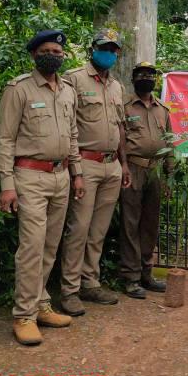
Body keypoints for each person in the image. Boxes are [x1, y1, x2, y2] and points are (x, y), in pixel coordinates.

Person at [0, 29, 86, 346]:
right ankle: (24, 315)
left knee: (49, 247)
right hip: (29, 177)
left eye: (58, 52)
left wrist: (77, 173)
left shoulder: (68, 91)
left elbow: (73, 135)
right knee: (32, 247)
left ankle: (41, 304)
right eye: (46, 51)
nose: (53, 56)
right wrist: (7, 184)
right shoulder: (19, 89)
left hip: (61, 177)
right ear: (34, 54)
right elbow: (5, 139)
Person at [59, 29, 131, 316]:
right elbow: (66, 123)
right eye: (104, 48)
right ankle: (69, 290)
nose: (109, 53)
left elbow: (120, 128)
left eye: (113, 50)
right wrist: (74, 168)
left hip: (112, 166)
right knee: (78, 228)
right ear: (92, 49)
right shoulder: (74, 79)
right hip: (85, 164)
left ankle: (90, 282)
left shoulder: (117, 86)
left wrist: (124, 164)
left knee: (98, 230)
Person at [119, 62, 174, 299]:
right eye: (141, 75)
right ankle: (130, 277)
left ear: (156, 80)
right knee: (130, 223)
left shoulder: (163, 109)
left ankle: (146, 273)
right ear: (133, 79)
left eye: (150, 75)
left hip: (155, 171)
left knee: (150, 223)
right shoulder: (125, 107)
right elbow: (120, 140)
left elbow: (169, 142)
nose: (146, 78)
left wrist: (169, 175)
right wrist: (123, 166)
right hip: (133, 169)